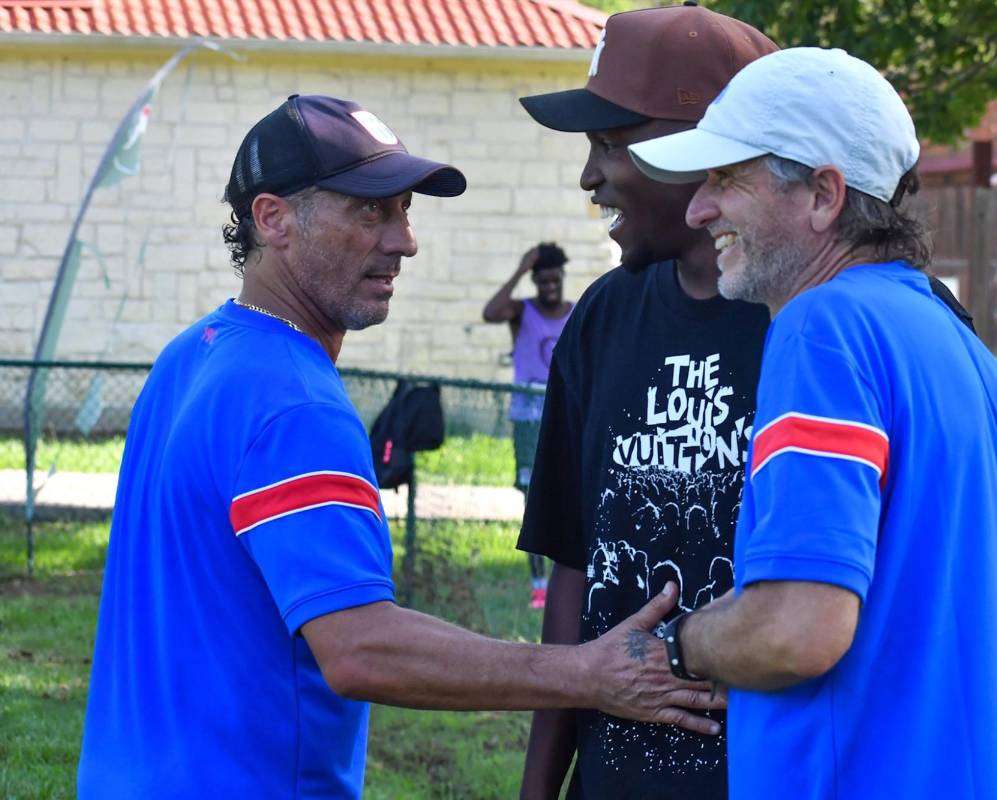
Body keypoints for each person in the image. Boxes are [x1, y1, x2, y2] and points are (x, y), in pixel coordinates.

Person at [75, 94, 723, 800]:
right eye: (369, 211)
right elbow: (360, 649)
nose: (404, 240)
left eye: (404, 210)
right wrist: (591, 673)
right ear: (273, 218)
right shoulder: (293, 402)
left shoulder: (193, 355)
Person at [628, 48, 997, 798]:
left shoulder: (822, 327)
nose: (698, 209)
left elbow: (797, 629)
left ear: (824, 195)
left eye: (726, 178)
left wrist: (679, 644)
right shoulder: (962, 350)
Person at [514, 5, 778, 798]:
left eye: (608, 144)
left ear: (693, 151)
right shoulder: (603, 318)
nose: (589, 176)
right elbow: (571, 567)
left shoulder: (819, 327)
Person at [482, 242, 574, 609]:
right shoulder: (523, 312)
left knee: (566, 496)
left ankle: (566, 580)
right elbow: (491, 312)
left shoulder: (575, 312)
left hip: (565, 416)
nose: (549, 288)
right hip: (527, 420)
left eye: (554, 280)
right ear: (535, 282)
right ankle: (539, 585)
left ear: (562, 278)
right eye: (542, 281)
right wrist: (520, 269)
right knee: (532, 497)